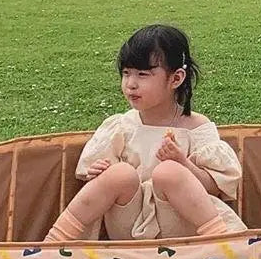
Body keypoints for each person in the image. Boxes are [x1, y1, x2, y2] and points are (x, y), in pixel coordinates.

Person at [45, 24, 247, 243]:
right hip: (130, 227)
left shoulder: (195, 128)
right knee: (120, 173)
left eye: (142, 74)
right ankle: (53, 243)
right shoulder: (121, 126)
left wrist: (183, 163)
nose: (131, 84)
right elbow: (96, 186)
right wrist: (99, 172)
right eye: (126, 73)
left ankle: (223, 244)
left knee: (169, 172)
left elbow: (215, 188)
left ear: (176, 79)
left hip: (181, 226)